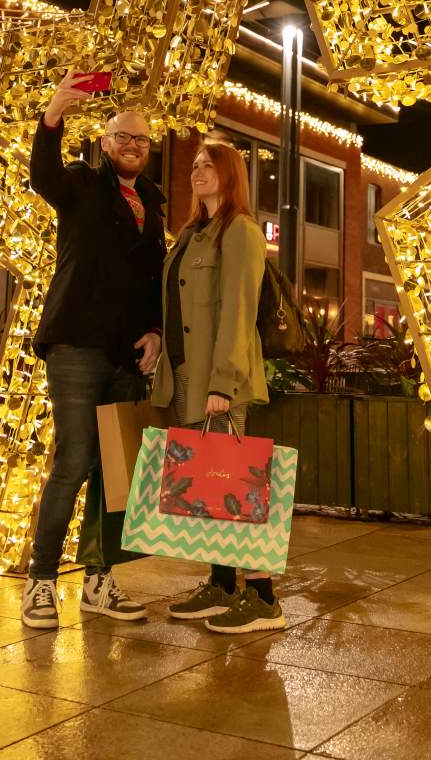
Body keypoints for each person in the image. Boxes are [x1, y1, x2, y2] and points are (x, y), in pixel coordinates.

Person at [21, 69, 166, 630]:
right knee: (74, 461)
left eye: (141, 140)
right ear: (104, 144)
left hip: (127, 353)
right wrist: (54, 111)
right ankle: (39, 582)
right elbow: (42, 175)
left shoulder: (152, 202)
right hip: (77, 344)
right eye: (122, 137)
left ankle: (99, 579)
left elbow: (153, 276)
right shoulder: (81, 183)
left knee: (114, 470)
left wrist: (154, 330)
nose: (131, 146)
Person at [151, 140, 285, 633]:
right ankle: (224, 584)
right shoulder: (191, 234)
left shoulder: (241, 232)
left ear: (231, 174)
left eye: (209, 165)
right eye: (194, 165)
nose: (198, 171)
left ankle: (265, 598)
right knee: (209, 488)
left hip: (218, 378)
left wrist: (223, 384)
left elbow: (238, 311)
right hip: (187, 376)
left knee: (236, 485)